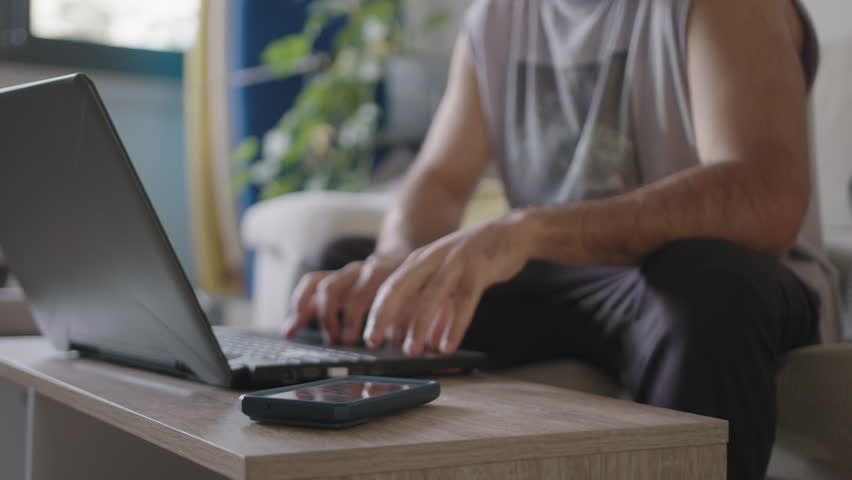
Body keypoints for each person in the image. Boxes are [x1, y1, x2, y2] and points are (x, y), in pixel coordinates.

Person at [285, 1, 839, 478]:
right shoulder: (500, 15)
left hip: (708, 283)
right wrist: (392, 261)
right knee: (343, 281)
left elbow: (765, 195)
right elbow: (439, 178)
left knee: (703, 288)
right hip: (570, 284)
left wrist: (526, 230)